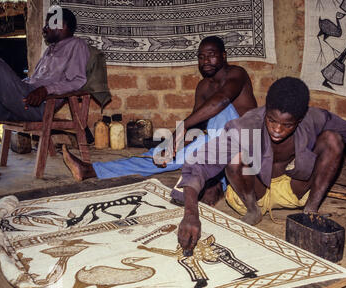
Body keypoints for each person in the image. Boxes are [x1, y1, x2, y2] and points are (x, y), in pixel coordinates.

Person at [177, 77, 346, 253]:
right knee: (235, 153)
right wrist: (191, 213)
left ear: (299, 120)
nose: (277, 130)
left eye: (287, 125)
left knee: (333, 140)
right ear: (266, 113)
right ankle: (253, 211)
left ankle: (310, 213)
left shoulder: (314, 118)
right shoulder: (247, 124)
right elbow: (199, 163)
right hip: (253, 190)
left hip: (293, 188)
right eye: (272, 121)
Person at [62, 36, 258, 194]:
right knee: (158, 156)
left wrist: (179, 131)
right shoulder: (203, 87)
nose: (205, 61)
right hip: (217, 143)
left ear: (224, 56)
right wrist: (171, 145)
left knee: (220, 110)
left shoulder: (236, 74)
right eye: (201, 56)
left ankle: (215, 182)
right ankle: (91, 170)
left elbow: (222, 101)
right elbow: (197, 125)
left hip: (247, 142)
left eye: (211, 55)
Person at [0, 7, 89, 121]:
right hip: (23, 101)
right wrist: (16, 84)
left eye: (48, 25)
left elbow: (78, 81)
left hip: (38, 106)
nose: (44, 29)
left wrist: (46, 90)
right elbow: (34, 80)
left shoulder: (76, 45)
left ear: (61, 25)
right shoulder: (49, 50)